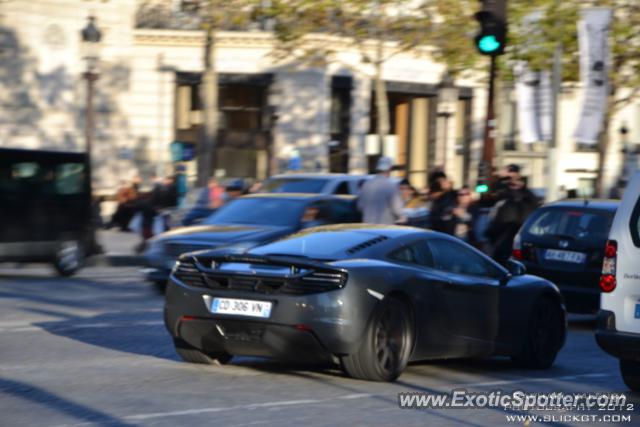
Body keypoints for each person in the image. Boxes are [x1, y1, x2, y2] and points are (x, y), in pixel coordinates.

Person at [357, 156, 405, 224]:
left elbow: (360, 206)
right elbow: (397, 209)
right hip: (385, 227)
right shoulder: (391, 186)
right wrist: (403, 217)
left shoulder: (366, 185)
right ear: (389, 169)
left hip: (367, 226)